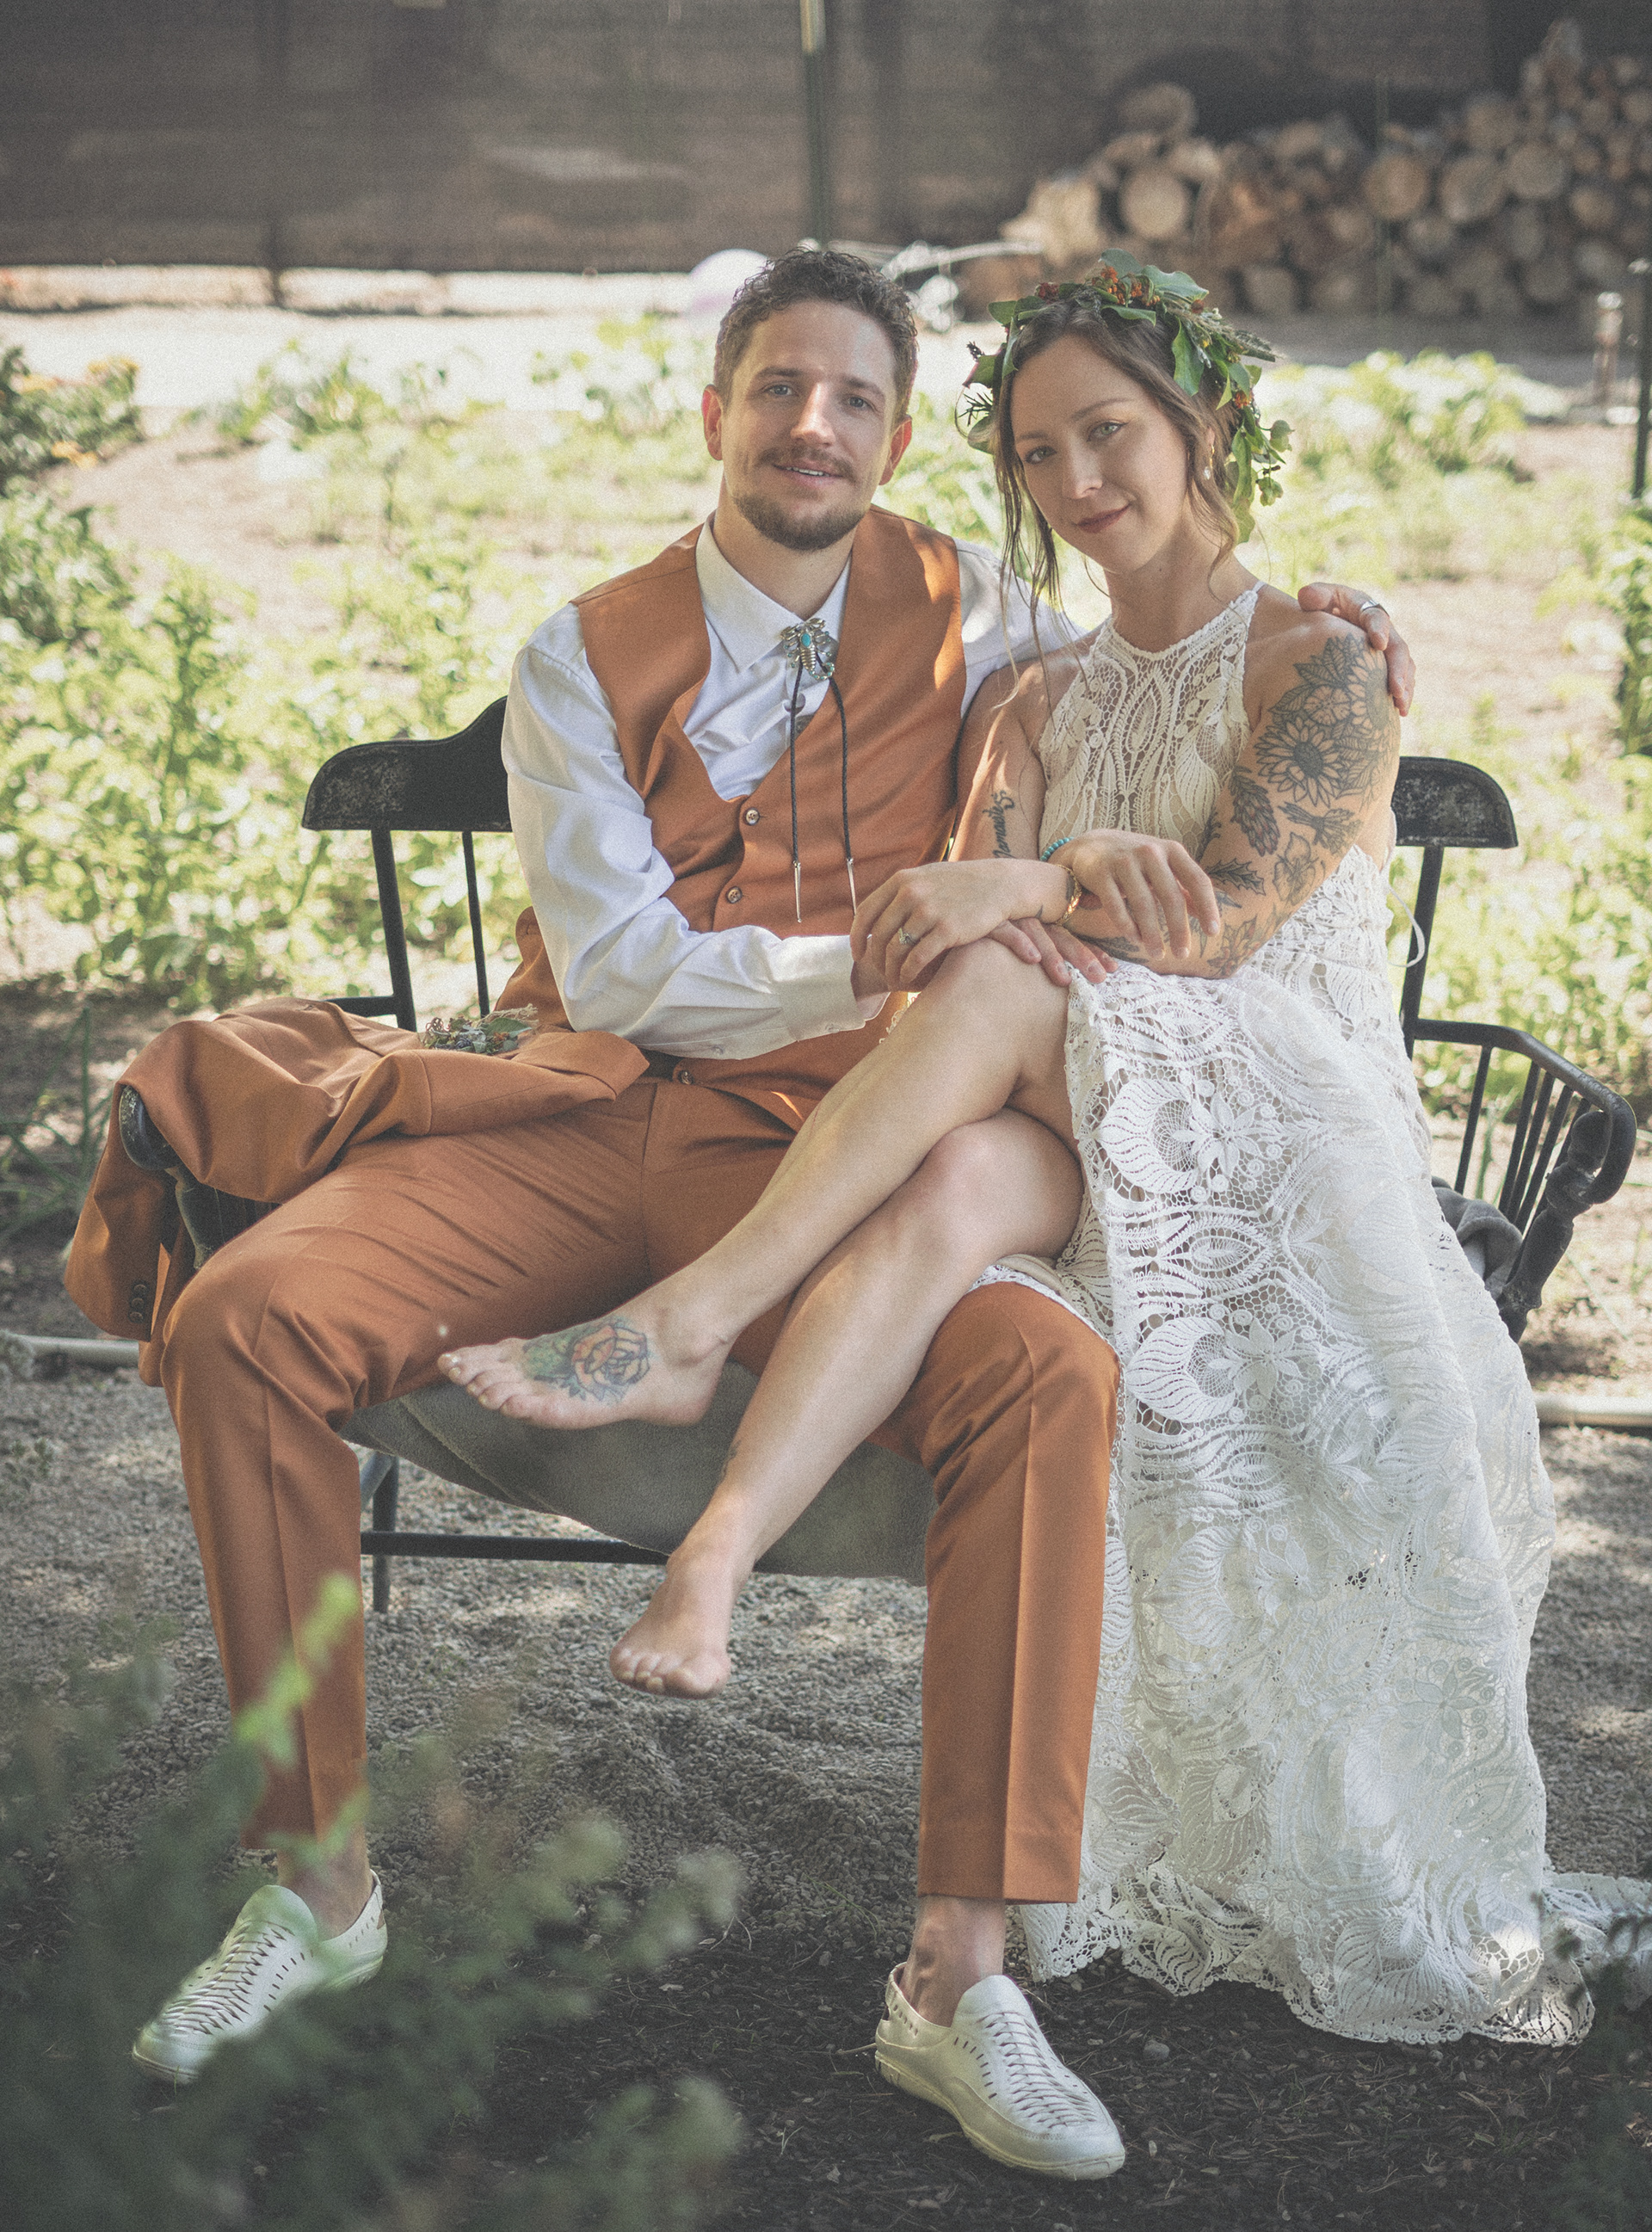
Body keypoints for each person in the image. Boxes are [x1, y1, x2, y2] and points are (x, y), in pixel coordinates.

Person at [68, 249, 1407, 2173]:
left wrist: (1342, 614)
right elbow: (621, 972)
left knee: (1042, 1369)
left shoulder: (980, 605)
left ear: (896, 435)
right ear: (718, 412)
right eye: (780, 389)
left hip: (836, 1151)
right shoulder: (578, 653)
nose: (815, 428)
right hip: (583, 1112)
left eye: (857, 399)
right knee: (245, 1319)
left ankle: (958, 1976)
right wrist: (908, 955)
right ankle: (317, 1886)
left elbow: (1169, 616)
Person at [443, 254, 1649, 2062]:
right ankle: (721, 1547)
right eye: (1038, 451)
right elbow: (970, 924)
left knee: (1009, 977)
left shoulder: (1325, 663)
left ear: (1204, 425)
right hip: (1094, 1126)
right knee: (957, 1178)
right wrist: (1025, 881)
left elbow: (1216, 930)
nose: (1078, 480)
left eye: (1112, 433)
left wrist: (1029, 877)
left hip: (1288, 1138)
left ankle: (694, 1315)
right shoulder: (1032, 696)